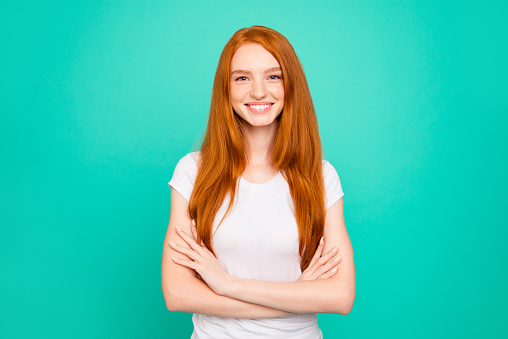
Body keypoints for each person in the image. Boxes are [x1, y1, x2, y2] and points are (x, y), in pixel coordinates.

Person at [161, 25, 355, 338]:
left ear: (290, 85)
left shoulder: (320, 176)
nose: (258, 92)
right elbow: (177, 294)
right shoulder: (192, 172)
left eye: (273, 76)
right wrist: (296, 297)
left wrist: (228, 285)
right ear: (226, 89)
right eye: (242, 78)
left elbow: (341, 296)